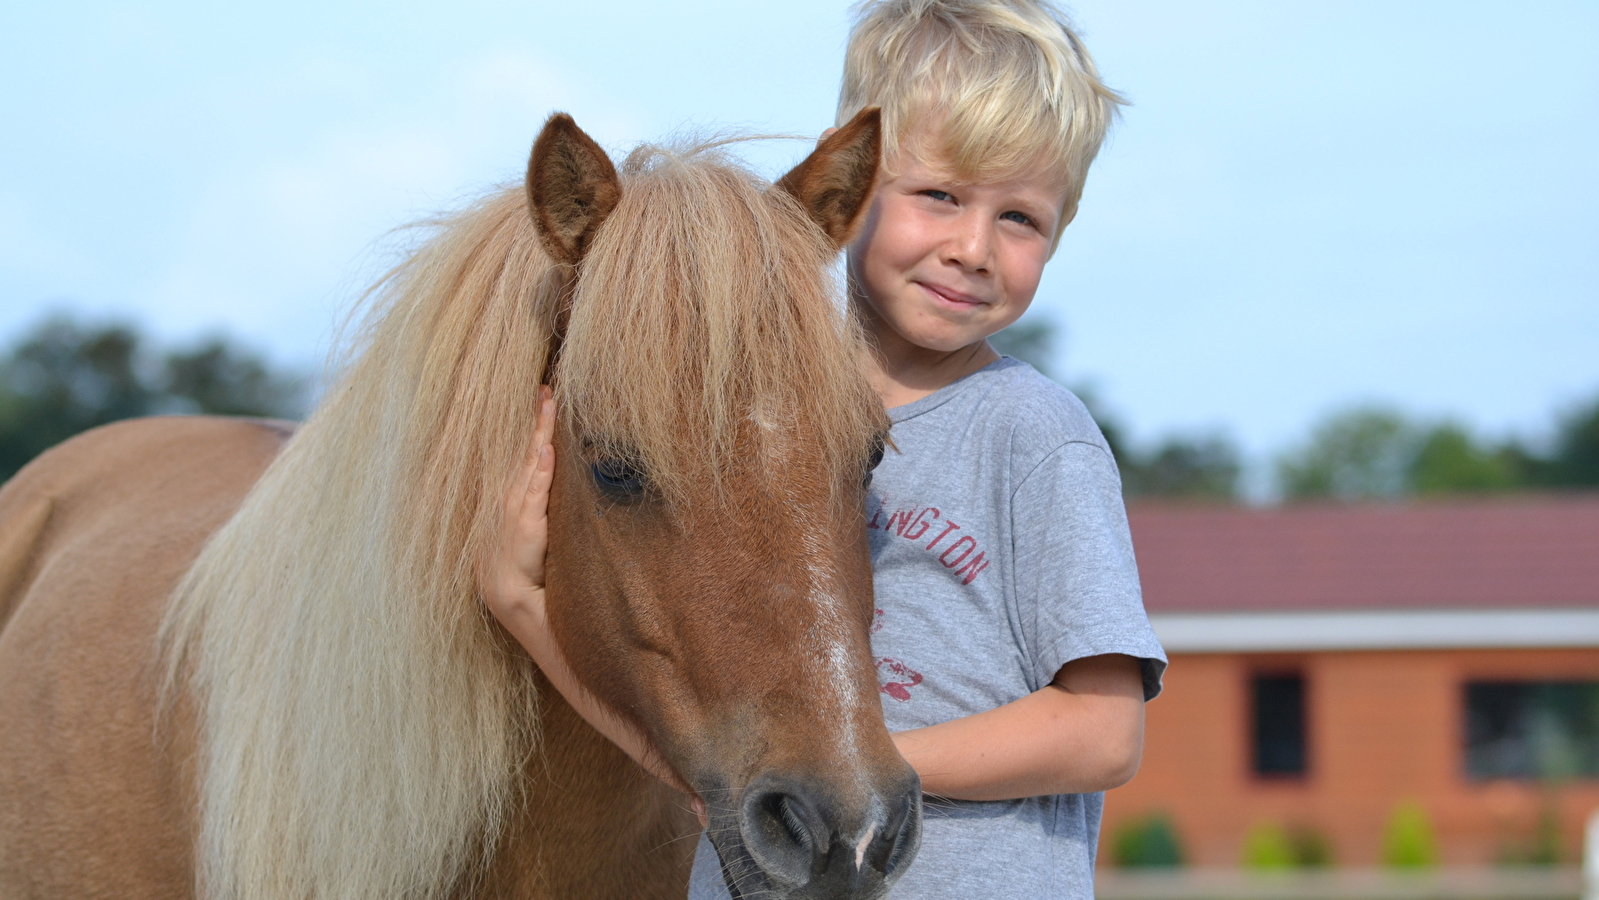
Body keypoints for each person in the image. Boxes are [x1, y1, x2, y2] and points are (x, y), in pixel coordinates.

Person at [485, 1, 1167, 896]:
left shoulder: (1031, 435)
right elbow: (690, 765)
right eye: (939, 197)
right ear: (851, 190)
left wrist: (854, 767)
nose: (971, 249)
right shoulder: (747, 430)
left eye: (1021, 220)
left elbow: (1104, 734)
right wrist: (523, 608)